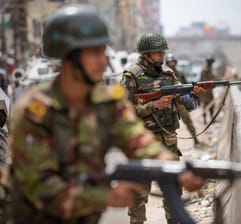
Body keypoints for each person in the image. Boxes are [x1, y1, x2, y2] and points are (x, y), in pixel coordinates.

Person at [8, 5, 204, 224]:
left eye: (103, 52)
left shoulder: (105, 102)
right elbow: (38, 186)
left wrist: (172, 168)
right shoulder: (34, 111)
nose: (104, 61)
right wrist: (105, 196)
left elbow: (137, 139)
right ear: (68, 58)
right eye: (94, 53)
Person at [121, 32, 206, 224]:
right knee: (138, 193)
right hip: (141, 143)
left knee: (174, 189)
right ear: (147, 54)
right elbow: (122, 114)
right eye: (158, 53)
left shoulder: (168, 74)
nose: (162, 56)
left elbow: (187, 104)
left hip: (168, 141)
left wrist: (195, 94)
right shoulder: (132, 77)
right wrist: (153, 105)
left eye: (163, 52)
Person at [165, 53, 200, 147]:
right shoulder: (164, 75)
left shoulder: (180, 73)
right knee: (168, 124)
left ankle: (195, 139)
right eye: (169, 62)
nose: (171, 64)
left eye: (173, 62)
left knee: (188, 121)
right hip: (168, 102)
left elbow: (186, 86)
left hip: (179, 101)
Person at [200, 56, 216, 125]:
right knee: (205, 106)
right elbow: (204, 81)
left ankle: (211, 119)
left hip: (209, 91)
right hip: (205, 91)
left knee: (211, 106)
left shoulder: (209, 69)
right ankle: (205, 120)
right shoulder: (205, 70)